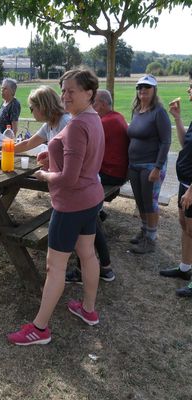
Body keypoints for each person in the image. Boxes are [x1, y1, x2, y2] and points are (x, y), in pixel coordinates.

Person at [7, 67, 105, 346]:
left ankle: (39, 329)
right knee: (87, 254)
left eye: (71, 90)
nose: (65, 95)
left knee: (55, 266)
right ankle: (88, 310)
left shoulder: (75, 125)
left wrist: (46, 174)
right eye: (63, 90)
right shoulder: (92, 117)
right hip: (91, 199)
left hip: (71, 204)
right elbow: (83, 164)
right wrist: (53, 160)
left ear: (89, 93)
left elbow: (69, 179)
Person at [66, 89, 129, 284]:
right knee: (90, 217)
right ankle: (104, 267)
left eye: (93, 103)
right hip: (116, 173)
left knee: (83, 213)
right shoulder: (117, 117)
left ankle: (88, 269)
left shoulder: (103, 122)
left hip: (109, 175)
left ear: (99, 104)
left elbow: (82, 147)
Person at [127, 75, 171, 254]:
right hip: (134, 165)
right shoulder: (136, 110)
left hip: (151, 166)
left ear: (154, 90)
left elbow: (166, 141)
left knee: (150, 202)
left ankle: (151, 240)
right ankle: (144, 231)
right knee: (140, 201)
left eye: (147, 87)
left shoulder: (158, 112)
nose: (142, 90)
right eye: (139, 87)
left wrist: (158, 167)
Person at [159, 72, 192, 297]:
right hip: (185, 181)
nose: (189, 90)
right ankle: (185, 268)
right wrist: (178, 118)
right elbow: (184, 143)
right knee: (184, 224)